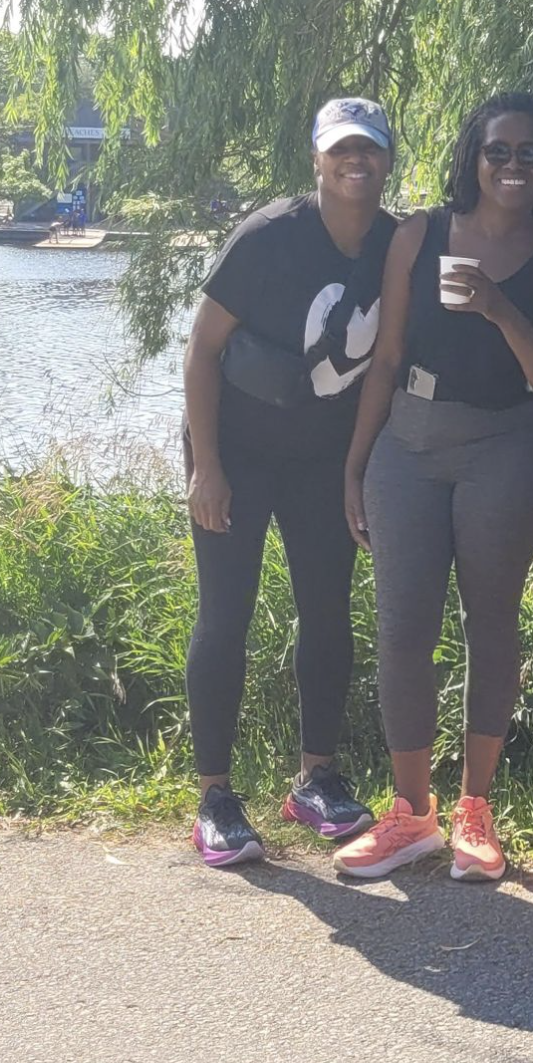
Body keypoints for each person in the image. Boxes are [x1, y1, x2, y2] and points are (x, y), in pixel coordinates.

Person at [334, 93, 533, 885]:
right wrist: (358, 462)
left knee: (490, 620)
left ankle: (474, 809)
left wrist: (502, 309)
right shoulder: (417, 235)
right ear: (472, 155)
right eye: (498, 150)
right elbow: (388, 356)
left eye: (528, 154)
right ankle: (411, 814)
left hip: (507, 442)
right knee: (403, 625)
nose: (511, 166)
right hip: (408, 439)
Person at [180, 96, 400, 867]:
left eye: (369, 149)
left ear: (387, 160)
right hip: (236, 448)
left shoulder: (397, 244)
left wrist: (355, 468)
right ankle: (214, 796)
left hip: (321, 458)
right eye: (341, 149)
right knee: (225, 615)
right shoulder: (270, 236)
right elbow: (202, 351)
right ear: (316, 159)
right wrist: (207, 467)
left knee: (327, 612)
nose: (355, 161)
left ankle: (317, 778)